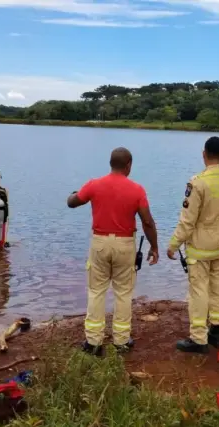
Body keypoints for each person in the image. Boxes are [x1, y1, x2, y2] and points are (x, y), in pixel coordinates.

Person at [67, 147, 159, 355]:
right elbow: (147, 221)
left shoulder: (94, 185)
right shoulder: (137, 190)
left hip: (99, 243)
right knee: (123, 293)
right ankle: (121, 341)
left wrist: (74, 194)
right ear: (129, 165)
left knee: (96, 291)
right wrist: (154, 247)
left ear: (110, 163)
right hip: (125, 244)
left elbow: (72, 203)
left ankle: (93, 342)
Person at [166, 136, 219, 354]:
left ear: (204, 154)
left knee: (198, 291)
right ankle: (217, 332)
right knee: (218, 288)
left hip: (199, 248)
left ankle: (198, 338)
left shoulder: (198, 182)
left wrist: (173, 244)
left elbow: (187, 221)